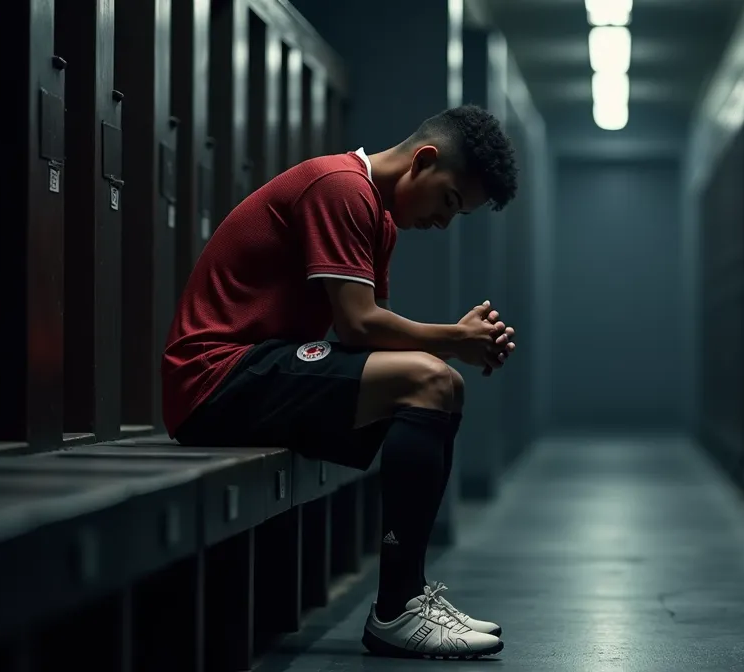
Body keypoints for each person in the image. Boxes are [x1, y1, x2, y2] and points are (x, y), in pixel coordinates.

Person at [161, 105, 519, 660]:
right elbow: (358, 325)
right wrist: (455, 338)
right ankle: (397, 611)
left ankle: (410, 596)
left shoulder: (376, 216)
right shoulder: (340, 187)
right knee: (430, 378)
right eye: (449, 200)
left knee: (441, 385)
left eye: (459, 214)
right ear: (424, 161)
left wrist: (455, 344)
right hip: (215, 377)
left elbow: (374, 337)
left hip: (261, 367)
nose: (444, 221)